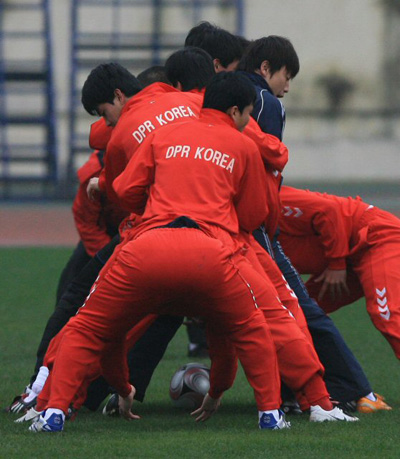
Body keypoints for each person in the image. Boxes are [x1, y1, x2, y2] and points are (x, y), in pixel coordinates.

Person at [28, 72, 290, 433]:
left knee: (88, 326)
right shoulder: (242, 144)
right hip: (210, 251)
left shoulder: (161, 136)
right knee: (250, 327)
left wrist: (123, 387)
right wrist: (217, 390)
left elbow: (125, 190)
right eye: (247, 114)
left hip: (147, 247)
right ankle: (272, 414)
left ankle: (54, 410)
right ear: (235, 111)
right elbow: (253, 214)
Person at [238, 35, 381, 411]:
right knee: (295, 306)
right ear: (266, 69)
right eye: (288, 75)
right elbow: (269, 166)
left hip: (225, 224)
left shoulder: (221, 100)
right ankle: (344, 390)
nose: (289, 85)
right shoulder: (266, 102)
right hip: (253, 225)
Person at [278, 185, 400, 398]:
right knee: (296, 316)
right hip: (347, 257)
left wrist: (336, 264)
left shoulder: (269, 197)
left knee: (386, 313)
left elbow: (328, 209)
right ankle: (331, 389)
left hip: (374, 237)